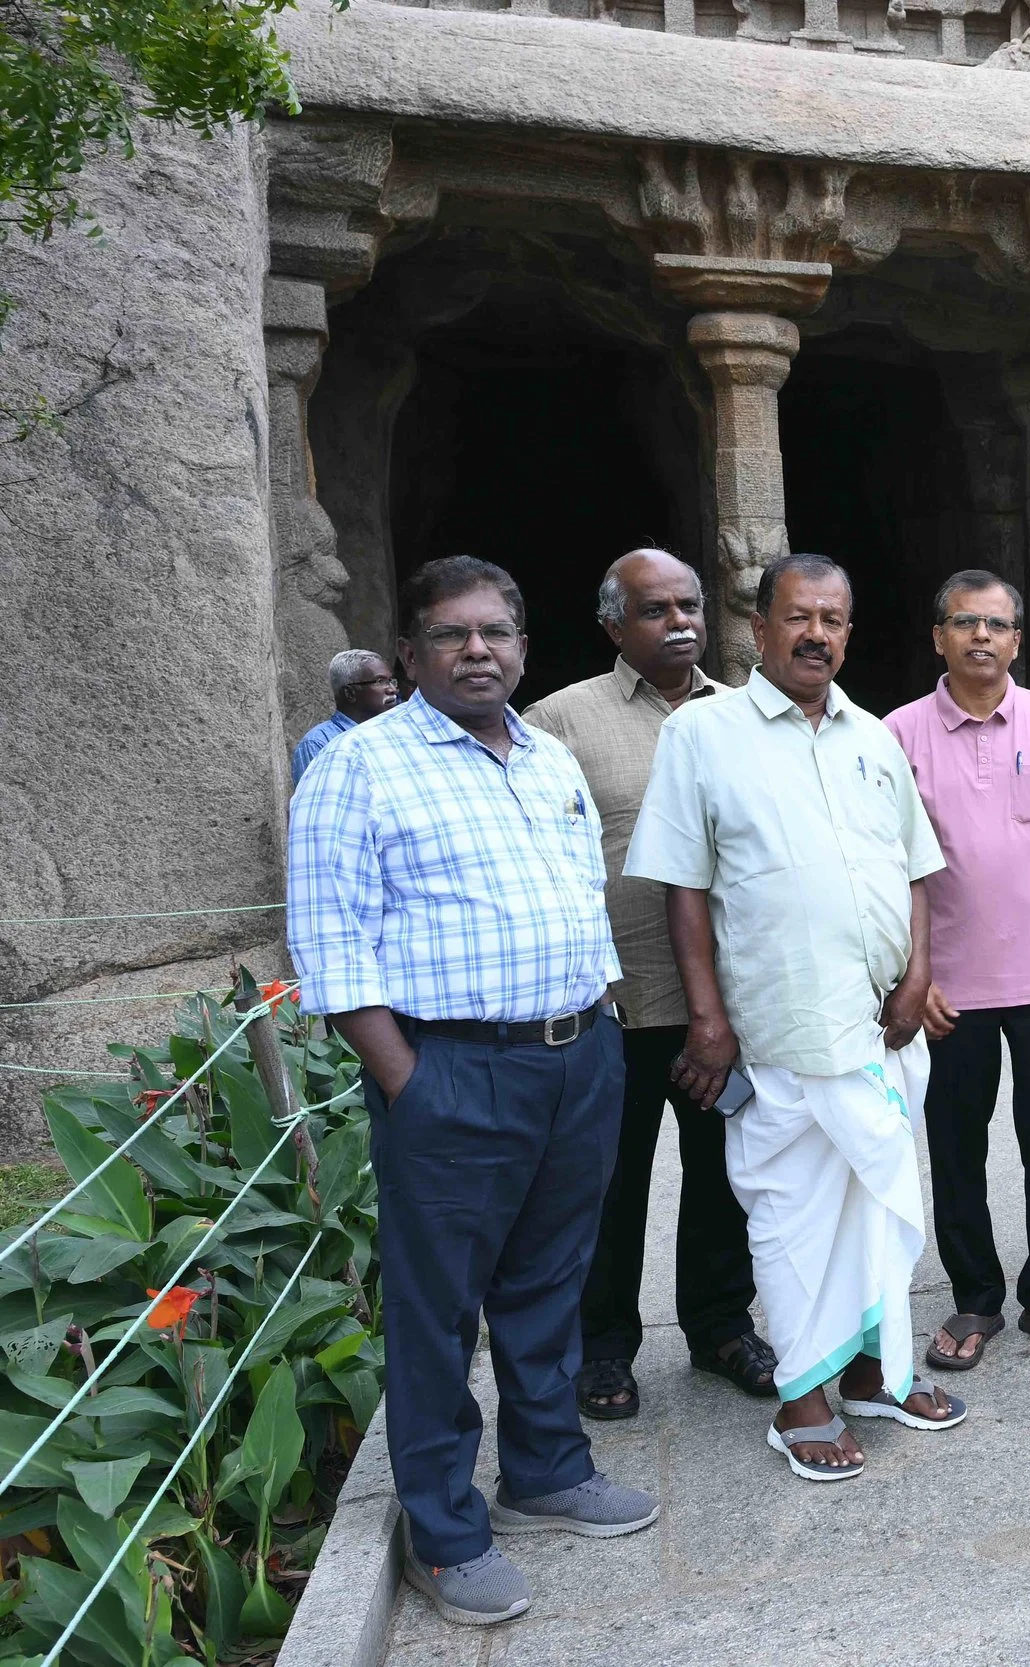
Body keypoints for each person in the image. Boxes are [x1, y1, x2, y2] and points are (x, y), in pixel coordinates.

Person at [288, 556, 654, 1629]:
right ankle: (445, 1536)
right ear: (410, 652)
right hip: (451, 1068)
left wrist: (602, 1029)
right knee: (438, 1310)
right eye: (452, 634)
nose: (478, 648)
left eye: (497, 630)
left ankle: (544, 1469)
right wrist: (411, 1080)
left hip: (577, 1055)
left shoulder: (546, 758)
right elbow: (330, 942)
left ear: (526, 647)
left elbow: (580, 897)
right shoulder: (361, 767)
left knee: (550, 1283)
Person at [626, 551, 967, 1482]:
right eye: (798, 617)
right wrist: (707, 1019)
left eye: (834, 619)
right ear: (760, 627)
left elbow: (917, 868)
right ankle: (801, 1399)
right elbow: (685, 889)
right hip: (781, 1025)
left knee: (877, 1201)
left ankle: (871, 1369)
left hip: (882, 1026)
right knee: (793, 1212)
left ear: (849, 632)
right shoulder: (704, 734)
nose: (817, 634)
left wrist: (918, 973)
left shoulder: (874, 736)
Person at [526, 548, 777, 1421]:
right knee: (609, 1184)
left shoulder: (748, 715)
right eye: (654, 608)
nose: (679, 621)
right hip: (616, 1003)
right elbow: (541, 863)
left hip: (730, 1002)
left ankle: (719, 1328)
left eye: (689, 604)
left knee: (723, 1176)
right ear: (612, 626)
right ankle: (603, 1349)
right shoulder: (557, 721)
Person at [886, 570, 1030, 1369]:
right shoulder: (898, 733)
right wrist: (915, 975)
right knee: (956, 1145)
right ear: (938, 637)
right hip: (950, 988)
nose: (980, 635)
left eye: (996, 623)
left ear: (1019, 639)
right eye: (963, 621)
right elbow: (885, 866)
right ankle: (974, 1297)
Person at [291, 647, 397, 783]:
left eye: (391, 681)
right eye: (379, 681)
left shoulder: (393, 734)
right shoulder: (318, 743)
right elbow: (320, 801)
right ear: (350, 693)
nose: (392, 689)